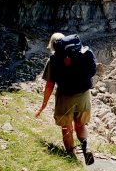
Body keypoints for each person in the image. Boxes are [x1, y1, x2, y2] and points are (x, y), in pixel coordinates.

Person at [35, 33, 96, 165]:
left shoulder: (53, 59)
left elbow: (50, 84)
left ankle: (72, 158)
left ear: (52, 45)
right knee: (80, 124)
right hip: (84, 95)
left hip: (65, 97)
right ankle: (86, 145)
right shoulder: (80, 53)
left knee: (66, 127)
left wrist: (44, 104)